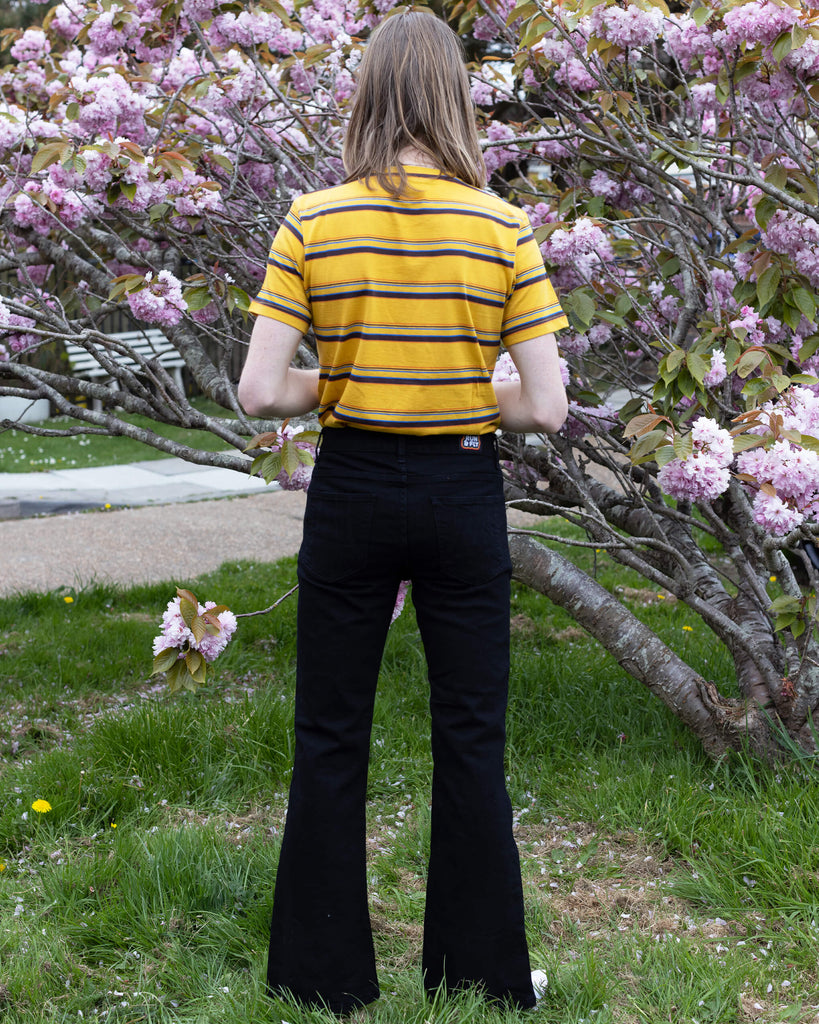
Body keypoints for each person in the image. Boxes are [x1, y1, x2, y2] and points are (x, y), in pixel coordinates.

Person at [238, 8, 568, 1015]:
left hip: (352, 490)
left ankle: (322, 977)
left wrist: (345, 379)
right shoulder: (502, 224)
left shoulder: (314, 217)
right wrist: (461, 391)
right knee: (473, 732)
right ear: (453, 98)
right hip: (461, 489)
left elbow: (259, 390)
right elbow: (548, 406)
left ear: (370, 93)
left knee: (329, 729)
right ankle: (481, 975)